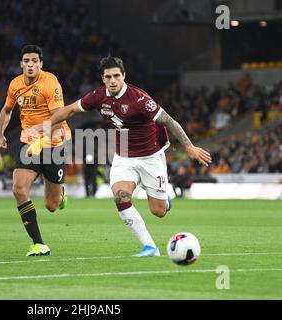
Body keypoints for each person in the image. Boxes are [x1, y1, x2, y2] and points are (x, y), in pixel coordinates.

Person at [28, 56, 211, 257]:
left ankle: (165, 200)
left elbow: (169, 121)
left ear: (124, 76)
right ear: (103, 78)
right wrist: (44, 131)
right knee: (121, 197)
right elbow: (70, 110)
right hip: (124, 157)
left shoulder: (139, 98)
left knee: (158, 211)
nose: (113, 80)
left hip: (151, 157)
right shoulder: (98, 96)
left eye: (117, 75)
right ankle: (149, 247)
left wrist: (189, 146)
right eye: (108, 77)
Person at [0, 44, 71, 257]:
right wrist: (0, 132)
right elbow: (7, 110)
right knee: (19, 189)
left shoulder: (50, 83)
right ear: (21, 64)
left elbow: (59, 118)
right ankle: (38, 243)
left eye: (34, 61)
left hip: (54, 143)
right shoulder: (15, 85)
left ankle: (61, 191)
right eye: (26, 61)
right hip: (29, 142)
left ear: (41, 64)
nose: (30, 65)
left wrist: (43, 141)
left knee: (52, 205)